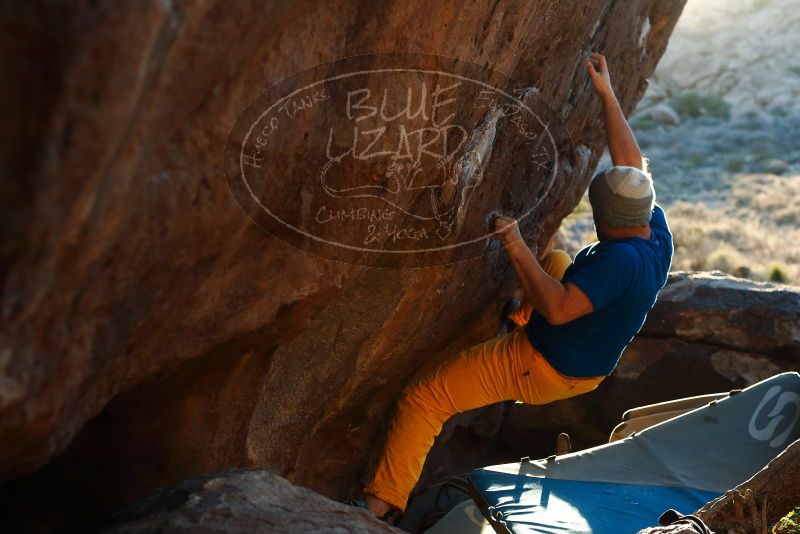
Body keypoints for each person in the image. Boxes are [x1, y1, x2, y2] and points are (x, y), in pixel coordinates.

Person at [357, 52, 674, 522]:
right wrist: (607, 94)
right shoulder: (654, 231)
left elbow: (562, 309)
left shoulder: (616, 263)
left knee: (426, 399)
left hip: (546, 365)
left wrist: (513, 241)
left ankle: (377, 507)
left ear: (604, 218)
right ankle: (518, 315)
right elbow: (631, 164)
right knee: (561, 260)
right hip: (586, 355)